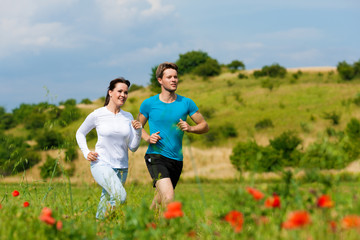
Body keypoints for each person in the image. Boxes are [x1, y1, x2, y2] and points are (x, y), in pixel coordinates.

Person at [138, 62, 209, 209]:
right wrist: (147, 138)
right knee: (169, 196)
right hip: (155, 156)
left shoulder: (186, 103)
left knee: (159, 198)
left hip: (176, 159)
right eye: (169, 77)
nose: (173, 80)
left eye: (175, 77)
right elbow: (137, 126)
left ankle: (143, 224)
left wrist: (190, 128)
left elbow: (204, 126)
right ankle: (166, 231)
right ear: (160, 80)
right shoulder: (149, 103)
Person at [76, 77, 142, 219]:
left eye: (126, 92)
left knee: (107, 199)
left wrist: (138, 131)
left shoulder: (127, 116)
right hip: (101, 164)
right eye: (120, 91)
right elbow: (80, 133)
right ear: (110, 92)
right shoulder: (98, 114)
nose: (123, 95)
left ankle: (100, 230)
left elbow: (133, 147)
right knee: (121, 196)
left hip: (122, 167)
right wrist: (86, 152)